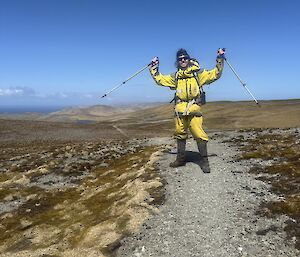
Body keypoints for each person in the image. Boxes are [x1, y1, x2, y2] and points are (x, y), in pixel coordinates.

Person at [149, 48, 225, 173]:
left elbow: (216, 73)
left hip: (194, 108)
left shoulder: (198, 74)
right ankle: (180, 159)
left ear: (189, 59)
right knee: (180, 133)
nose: (183, 60)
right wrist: (154, 68)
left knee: (199, 134)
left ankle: (204, 161)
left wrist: (220, 59)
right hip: (179, 110)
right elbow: (160, 80)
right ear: (177, 61)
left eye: (185, 58)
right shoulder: (176, 77)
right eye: (180, 59)